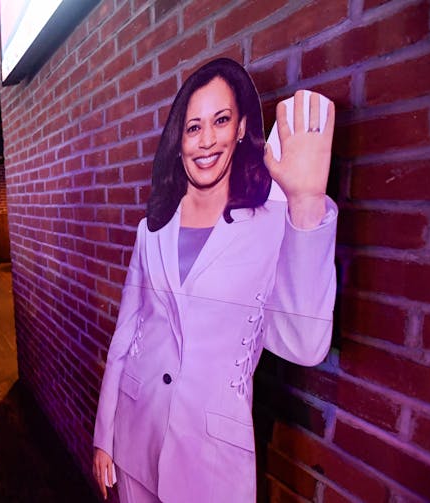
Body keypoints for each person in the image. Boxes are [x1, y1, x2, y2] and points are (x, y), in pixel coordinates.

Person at [92, 58, 338, 502]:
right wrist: (103, 434)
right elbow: (126, 333)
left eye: (220, 121)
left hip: (210, 463)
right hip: (134, 435)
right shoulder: (153, 227)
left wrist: (306, 203)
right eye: (193, 127)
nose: (206, 140)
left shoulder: (270, 220)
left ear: (242, 127)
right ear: (179, 140)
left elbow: (305, 342)